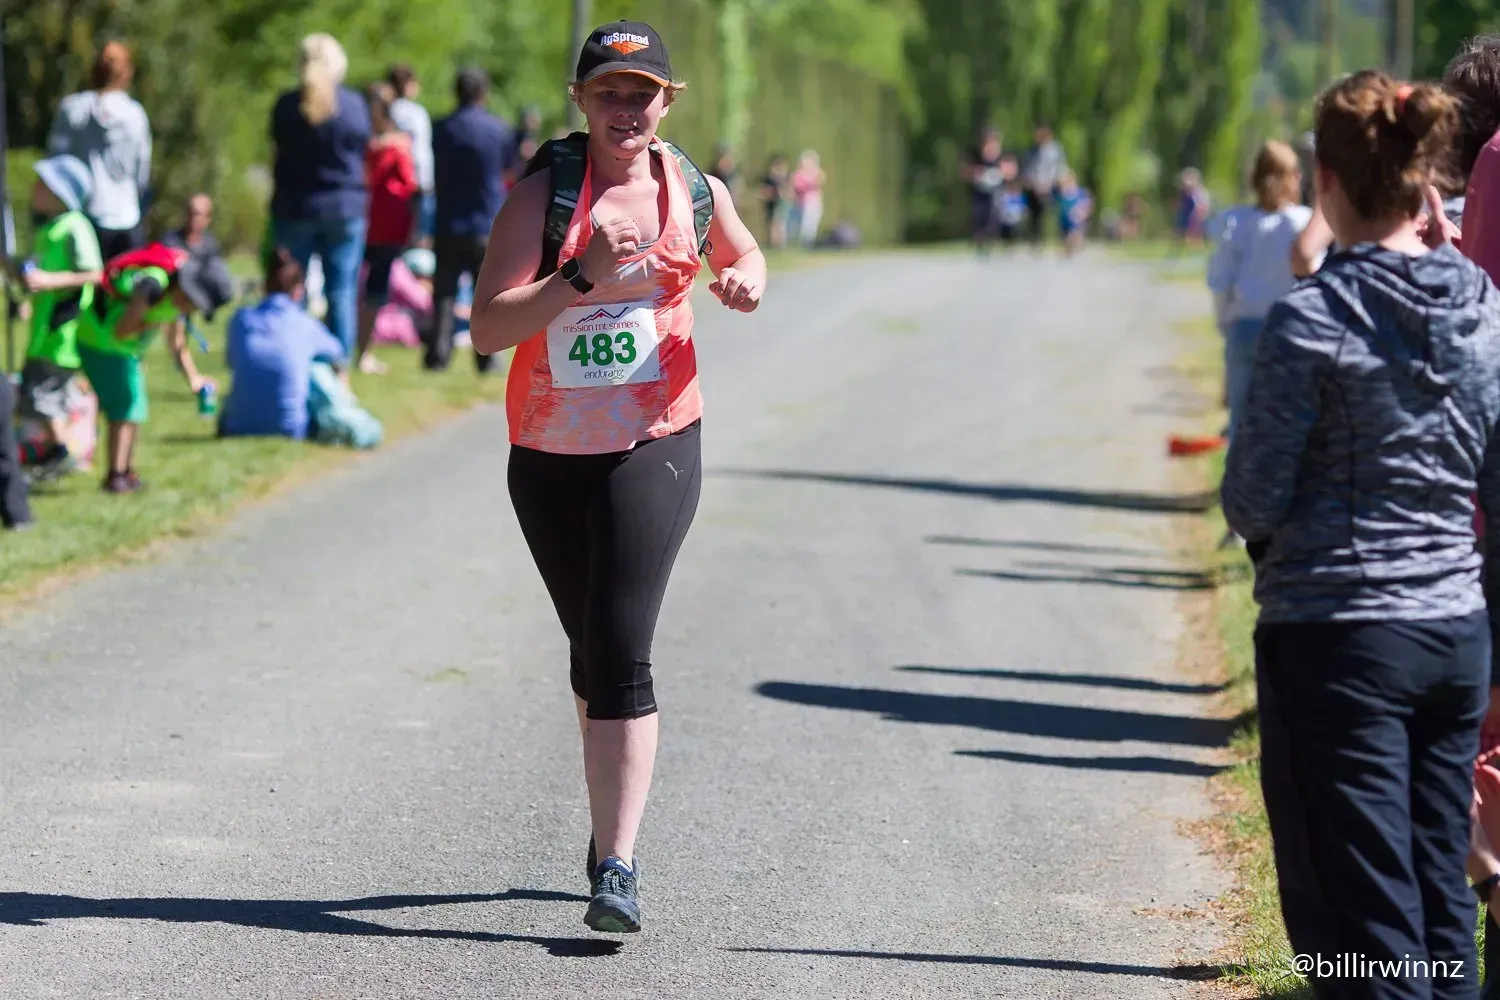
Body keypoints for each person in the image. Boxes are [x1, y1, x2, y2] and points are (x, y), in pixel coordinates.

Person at [469, 18, 766, 935]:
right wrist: (579, 279)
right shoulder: (543, 200)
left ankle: (616, 865)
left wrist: (748, 279)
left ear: (667, 101)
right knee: (589, 649)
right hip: (549, 456)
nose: (626, 107)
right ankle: (610, 831)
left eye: (642, 93)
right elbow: (487, 329)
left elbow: (745, 253)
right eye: (609, 92)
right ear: (582, 100)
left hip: (658, 438)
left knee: (621, 644)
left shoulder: (696, 190)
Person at [1222, 71, 1500, 1000]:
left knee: (1357, 932)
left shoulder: (1313, 321)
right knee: (1438, 906)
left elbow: (1251, 498)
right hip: (1455, 640)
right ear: (1426, 181)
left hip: (1339, 641)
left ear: (1327, 183)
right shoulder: (1481, 312)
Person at [76, 245, 233, 493]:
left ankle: (127, 471)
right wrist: (155, 322)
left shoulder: (177, 298)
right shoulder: (152, 285)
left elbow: (177, 342)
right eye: (191, 301)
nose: (188, 308)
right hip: (101, 343)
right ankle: (115, 475)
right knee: (124, 408)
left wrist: (193, 378)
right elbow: (123, 328)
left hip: (123, 351)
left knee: (136, 407)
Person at [270, 33, 370, 360]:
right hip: (343, 208)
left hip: (295, 207)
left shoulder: (287, 106)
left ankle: (293, 359)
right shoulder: (353, 105)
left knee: (290, 292)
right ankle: (338, 369)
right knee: (341, 292)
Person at [1206, 140, 1311, 441]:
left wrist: (1225, 325)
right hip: (1290, 328)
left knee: (1241, 415)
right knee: (1287, 416)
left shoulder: (1234, 221)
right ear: (1293, 177)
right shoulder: (1301, 222)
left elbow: (1220, 281)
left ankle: (1240, 483)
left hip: (1244, 326)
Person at [17, 154, 102, 479]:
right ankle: (59, 450)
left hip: (61, 331)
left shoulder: (75, 226)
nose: (34, 189)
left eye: (42, 184)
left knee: (40, 396)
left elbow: (94, 273)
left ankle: (62, 451)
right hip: (42, 330)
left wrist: (49, 281)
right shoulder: (48, 228)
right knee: (41, 394)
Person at [429, 67, 516, 373]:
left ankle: (437, 355)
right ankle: (487, 355)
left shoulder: (440, 128)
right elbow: (509, 170)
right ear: (484, 93)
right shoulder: (498, 129)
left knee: (444, 293)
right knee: (488, 296)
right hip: (485, 221)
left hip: (448, 219)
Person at [220, 248, 348, 440]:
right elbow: (338, 355)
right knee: (316, 368)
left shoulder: (241, 320)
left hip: (237, 425)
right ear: (298, 291)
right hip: (290, 427)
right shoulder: (304, 323)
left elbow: (232, 361)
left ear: (264, 287)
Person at [46, 40, 152, 259]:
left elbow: (55, 163)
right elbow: (142, 170)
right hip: (126, 216)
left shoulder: (73, 108)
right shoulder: (135, 114)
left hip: (84, 216)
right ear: (126, 73)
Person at [358, 83, 419, 376]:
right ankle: (362, 352)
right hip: (386, 227)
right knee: (375, 291)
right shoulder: (399, 146)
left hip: (362, 222)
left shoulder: (362, 143)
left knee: (350, 289)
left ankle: (353, 350)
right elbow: (409, 185)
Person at [388, 64, 434, 244]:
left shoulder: (386, 110)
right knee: (420, 237)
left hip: (394, 182)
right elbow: (420, 150)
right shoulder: (415, 112)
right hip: (418, 179)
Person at [1022, 124, 1067, 246]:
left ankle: (1059, 237)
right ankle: (1036, 240)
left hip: (1051, 186)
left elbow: (1060, 168)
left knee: (1054, 212)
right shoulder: (1032, 150)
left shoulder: (1055, 150)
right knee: (1035, 215)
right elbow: (1028, 169)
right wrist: (1032, 183)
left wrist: (1051, 183)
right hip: (1035, 187)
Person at [967, 128, 1005, 255]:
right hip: (980, 191)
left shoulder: (1000, 156)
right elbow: (966, 170)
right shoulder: (976, 156)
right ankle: (979, 242)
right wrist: (977, 173)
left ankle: (990, 242)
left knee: (992, 216)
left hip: (995, 191)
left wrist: (1000, 173)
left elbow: (1011, 170)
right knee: (979, 216)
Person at [789, 149, 825, 248]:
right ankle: (801, 243)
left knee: (810, 223)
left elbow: (821, 179)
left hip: (813, 202)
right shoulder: (798, 174)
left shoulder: (816, 172)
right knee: (800, 224)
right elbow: (796, 186)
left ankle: (809, 243)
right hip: (800, 203)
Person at [1054, 170, 1092, 256]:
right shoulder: (1060, 194)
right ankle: (1069, 251)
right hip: (1064, 220)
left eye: (1068, 182)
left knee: (1074, 235)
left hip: (1076, 220)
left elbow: (1087, 205)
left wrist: (1083, 213)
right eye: (1063, 184)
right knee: (1065, 239)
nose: (1065, 186)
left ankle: (1076, 245)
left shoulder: (1080, 193)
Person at [758, 153, 791, 250]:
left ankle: (778, 244)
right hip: (771, 203)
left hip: (779, 203)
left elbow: (785, 192)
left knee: (778, 223)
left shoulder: (783, 177)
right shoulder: (769, 178)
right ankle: (774, 244)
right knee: (772, 224)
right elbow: (763, 191)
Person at [1173, 168, 1212, 247]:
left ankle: (1195, 245)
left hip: (1197, 216)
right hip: (1188, 216)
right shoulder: (1187, 194)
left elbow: (1203, 206)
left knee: (1194, 231)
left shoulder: (1200, 192)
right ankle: (1185, 243)